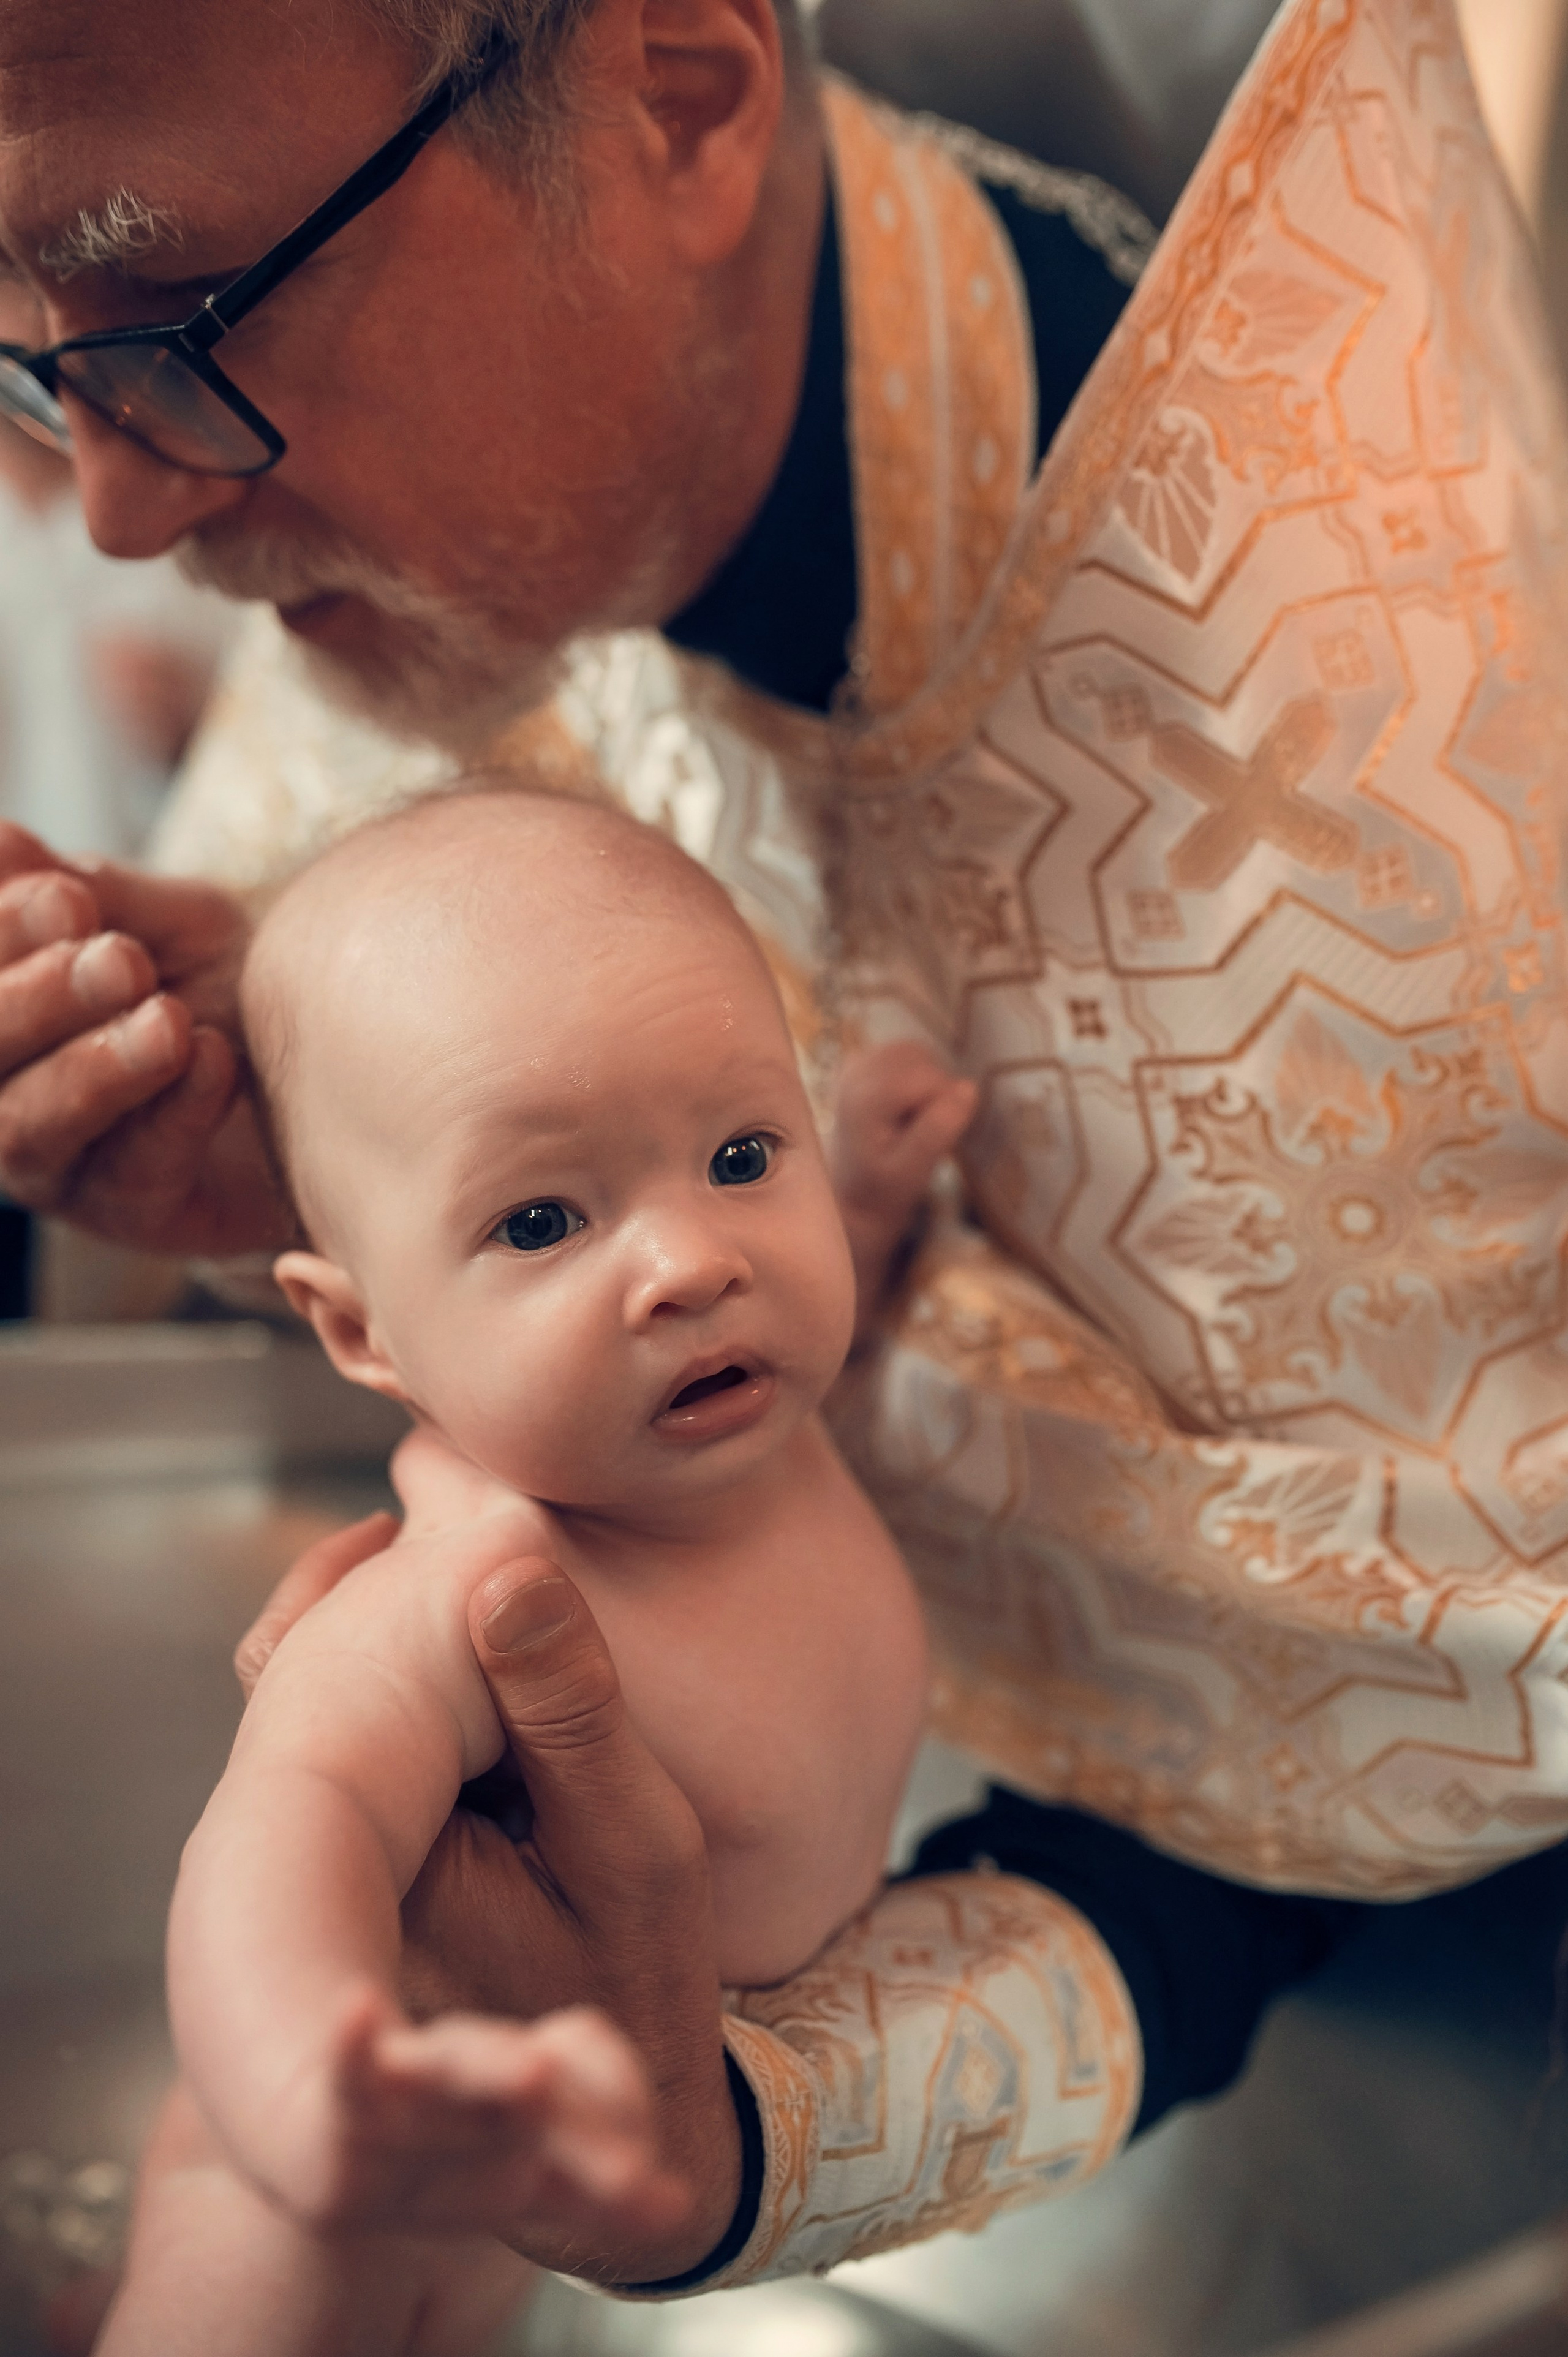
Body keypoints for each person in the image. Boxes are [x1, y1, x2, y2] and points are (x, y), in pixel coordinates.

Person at [1, 0, 1564, 2299]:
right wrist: (296, 1177)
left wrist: (755, 2122)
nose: (119, 504)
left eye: (184, 314)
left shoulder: (1420, 827)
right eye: (34, 350)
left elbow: (1313, 1778)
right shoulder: (436, 511)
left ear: (684, 94)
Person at [102, 785, 967, 2355]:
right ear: (362, 1330)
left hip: (572, 2177)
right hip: (313, 2229)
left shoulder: (741, 1411)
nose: (693, 1262)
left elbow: (801, 1289)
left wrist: (868, 1203)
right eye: (545, 1218)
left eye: (738, 1148)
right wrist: (316, 2090)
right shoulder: (476, 1588)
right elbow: (289, 1828)